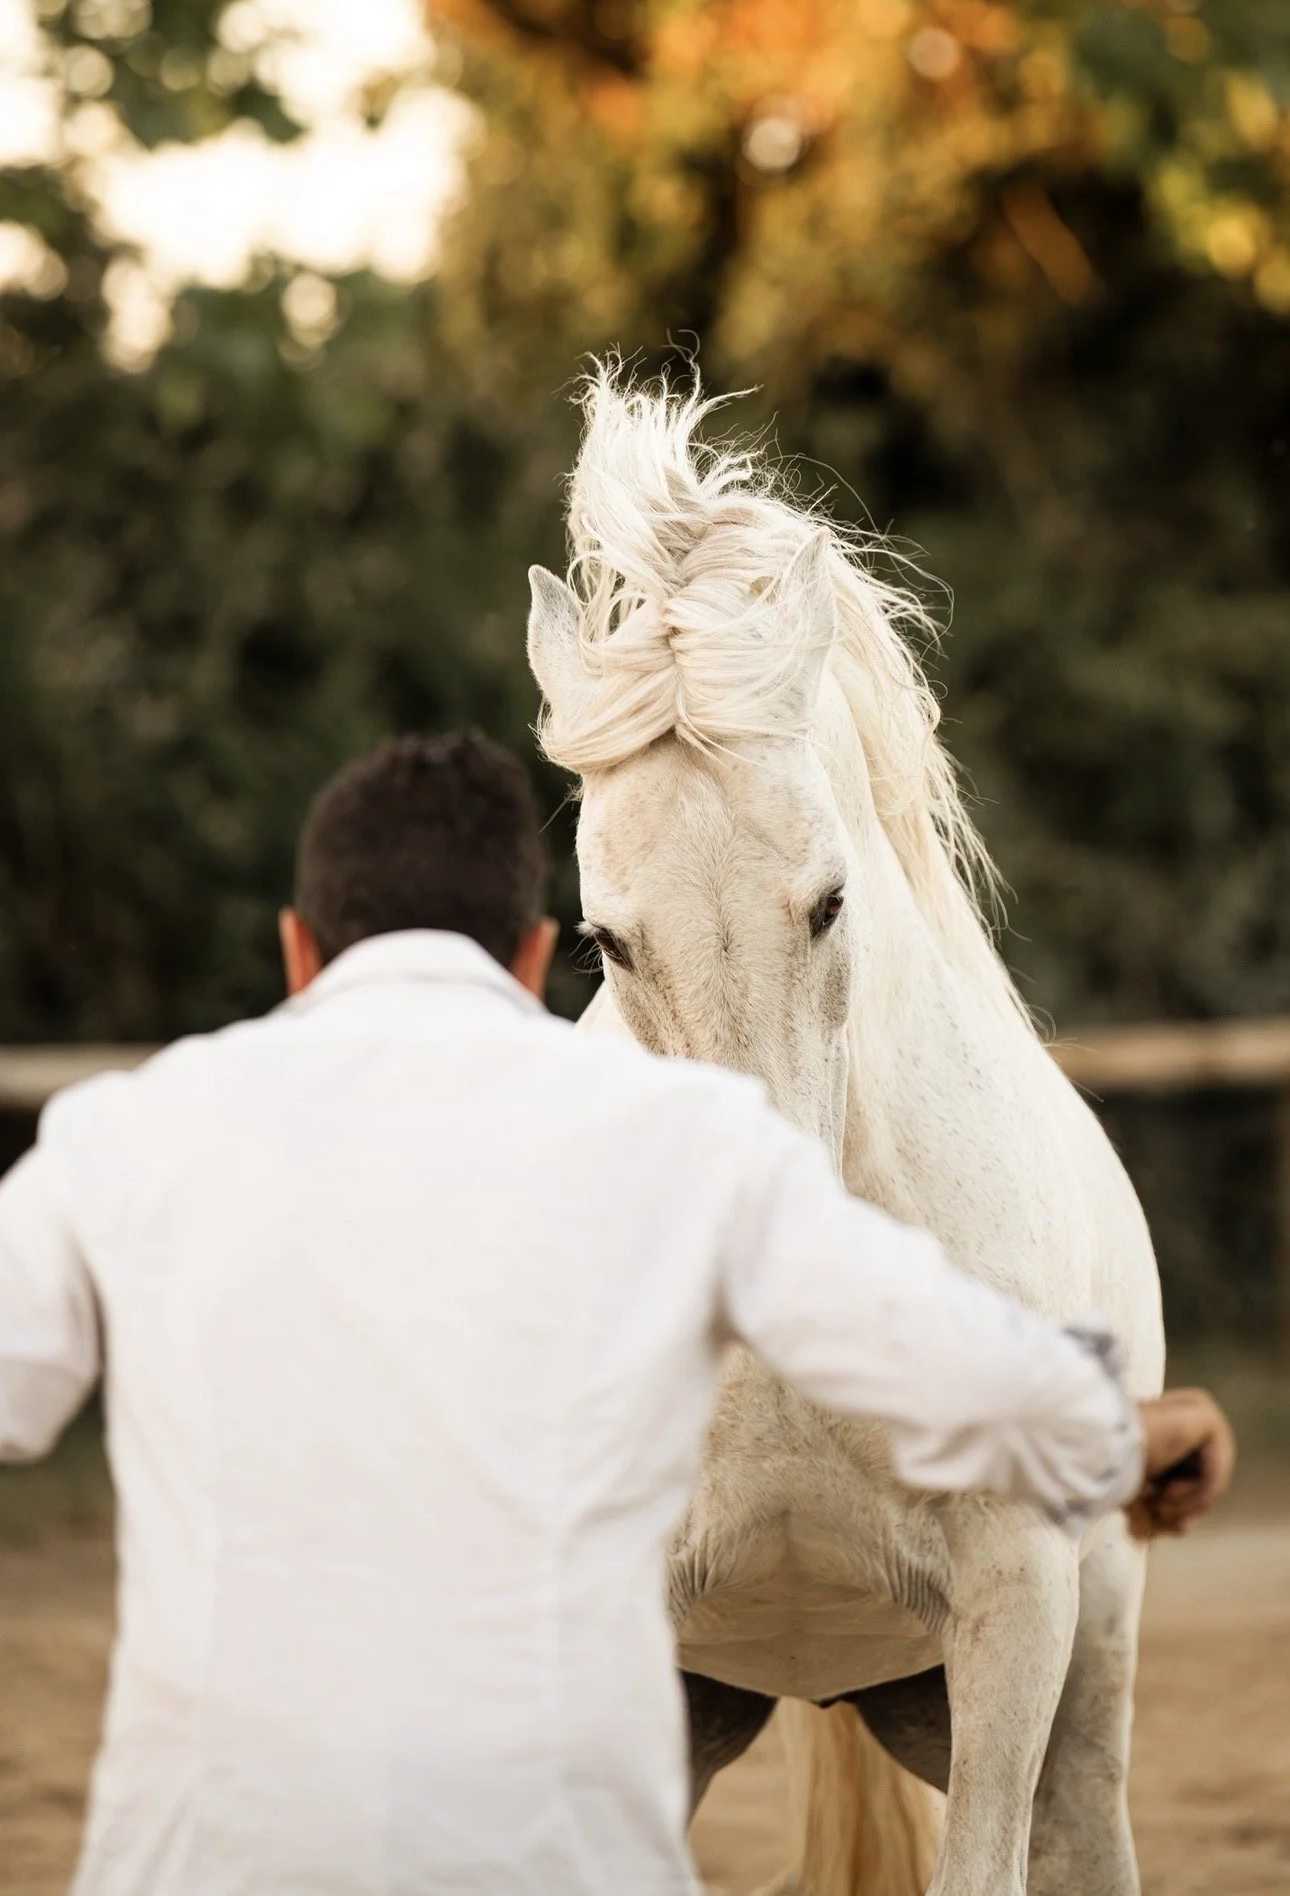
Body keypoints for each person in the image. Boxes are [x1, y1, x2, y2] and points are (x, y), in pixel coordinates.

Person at [0, 730, 1233, 1896]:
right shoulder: (677, 1140)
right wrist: (1127, 1430)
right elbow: (918, 1342)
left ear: (294, 951)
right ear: (539, 958)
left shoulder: (120, 1141)